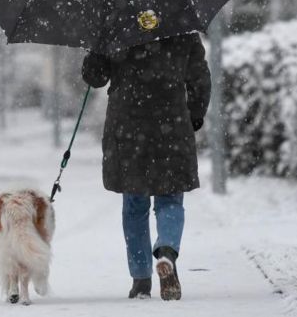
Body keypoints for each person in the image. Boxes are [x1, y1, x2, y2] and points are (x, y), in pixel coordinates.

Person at [81, 33, 211, 301]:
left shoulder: (116, 23)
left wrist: (95, 49)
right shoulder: (181, 24)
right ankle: (166, 251)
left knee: (134, 204)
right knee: (171, 198)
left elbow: (95, 78)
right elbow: (199, 77)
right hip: (171, 121)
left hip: (128, 124)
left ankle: (141, 279)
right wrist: (195, 114)